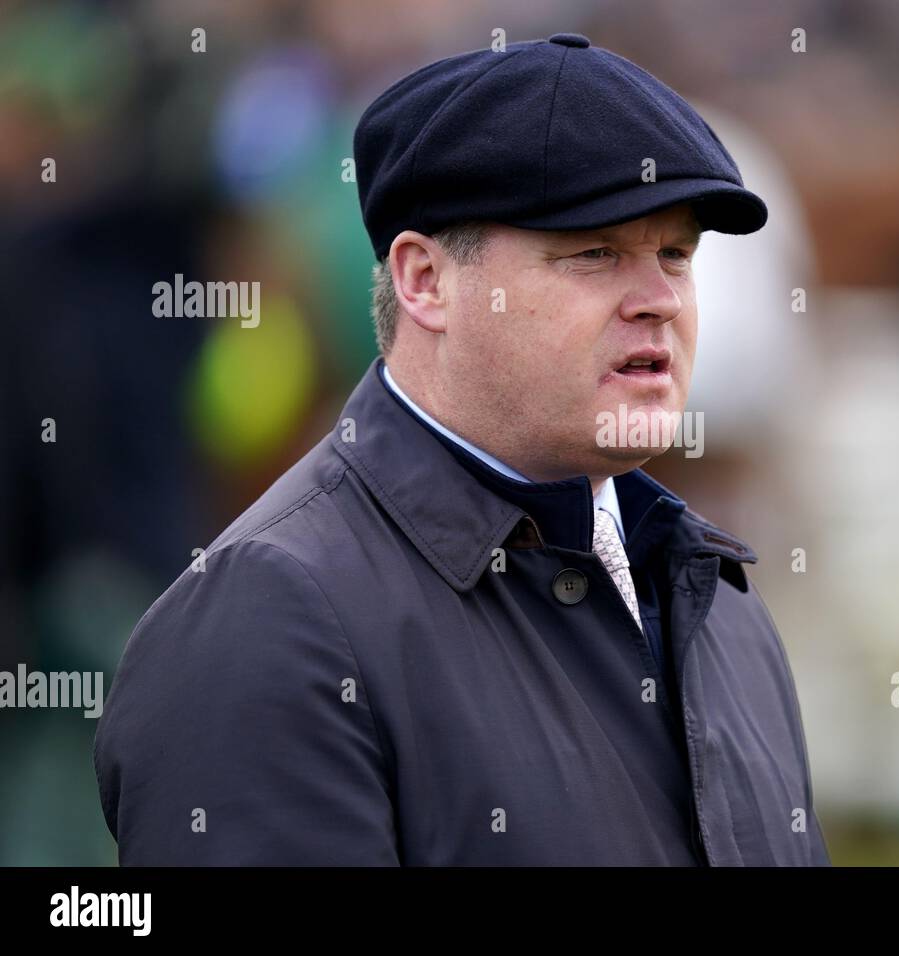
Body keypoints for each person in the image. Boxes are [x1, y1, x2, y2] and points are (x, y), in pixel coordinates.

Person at [93, 32, 831, 866]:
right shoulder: (269, 620)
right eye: (594, 253)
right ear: (424, 281)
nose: (660, 300)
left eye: (676, 255)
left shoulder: (715, 597)